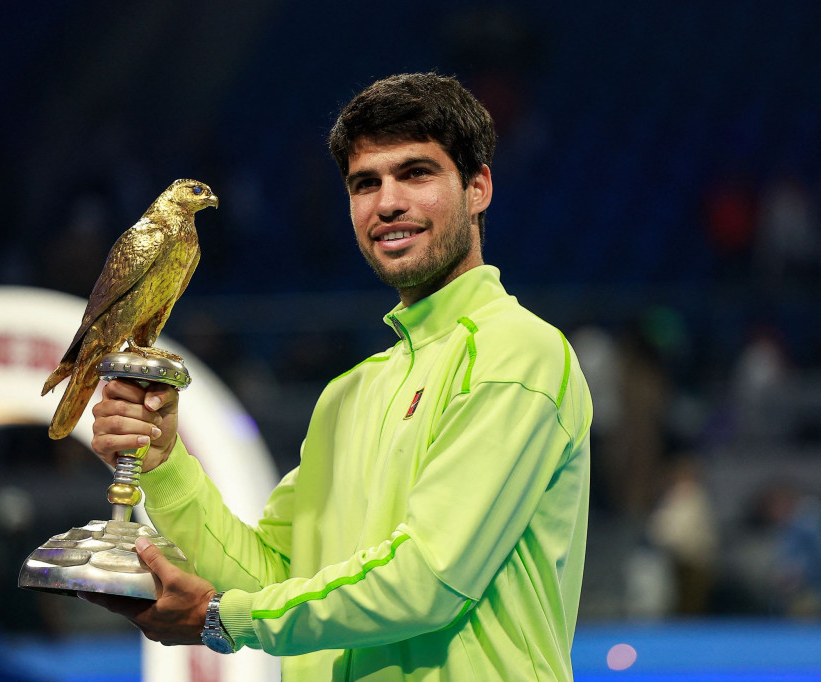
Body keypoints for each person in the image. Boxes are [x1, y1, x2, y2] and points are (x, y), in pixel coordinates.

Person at [84, 73, 593, 681]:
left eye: (416, 173)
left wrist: (223, 617)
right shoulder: (348, 395)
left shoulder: (517, 354)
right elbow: (273, 578)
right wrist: (165, 464)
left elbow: (427, 580)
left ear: (477, 187)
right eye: (365, 183)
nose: (388, 203)